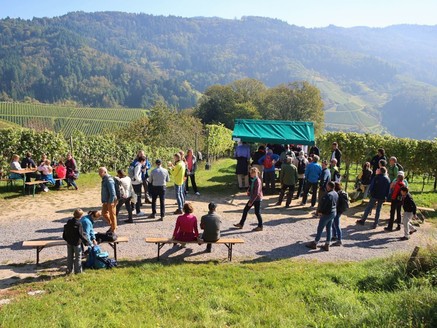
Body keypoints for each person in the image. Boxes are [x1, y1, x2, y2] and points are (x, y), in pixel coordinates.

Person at [306, 181, 338, 251]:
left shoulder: (328, 195)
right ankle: (327, 244)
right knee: (329, 228)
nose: (326, 187)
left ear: (329, 186)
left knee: (320, 228)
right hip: (333, 213)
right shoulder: (335, 193)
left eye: (327, 185)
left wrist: (320, 212)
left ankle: (315, 243)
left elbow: (325, 206)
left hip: (327, 214)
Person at [233, 167, 264, 231]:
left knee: (257, 212)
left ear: (254, 173)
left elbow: (257, 192)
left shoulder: (257, 180)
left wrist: (251, 201)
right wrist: (249, 191)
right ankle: (241, 224)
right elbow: (252, 187)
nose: (250, 174)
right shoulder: (253, 179)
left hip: (257, 199)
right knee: (245, 210)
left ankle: (260, 226)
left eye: (251, 173)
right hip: (253, 198)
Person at [62, 209, 89, 274]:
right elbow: (81, 234)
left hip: (69, 242)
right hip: (77, 243)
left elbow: (65, 231)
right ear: (81, 216)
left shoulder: (69, 221)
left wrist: (66, 239)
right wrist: (86, 242)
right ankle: (78, 271)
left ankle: (69, 270)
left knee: (69, 257)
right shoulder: (79, 224)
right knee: (78, 258)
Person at [99, 167, 117, 232]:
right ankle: (112, 225)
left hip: (111, 200)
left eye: (100, 172)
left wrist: (111, 201)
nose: (99, 174)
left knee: (112, 215)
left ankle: (113, 229)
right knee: (104, 213)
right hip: (106, 201)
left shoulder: (109, 180)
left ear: (105, 172)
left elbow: (112, 192)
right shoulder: (104, 179)